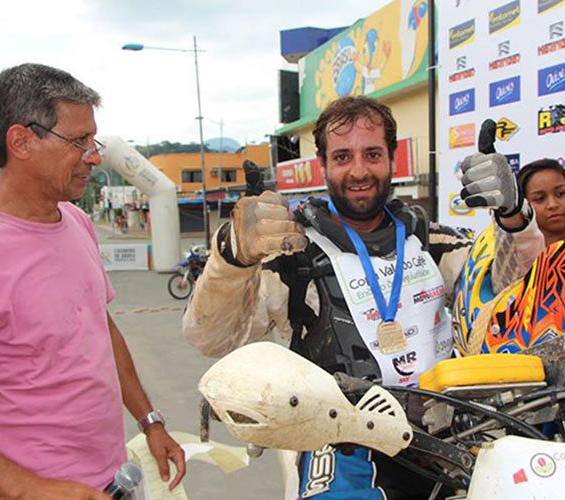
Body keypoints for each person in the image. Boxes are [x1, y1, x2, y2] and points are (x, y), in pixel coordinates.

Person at [183, 96, 544, 499]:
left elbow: (513, 283)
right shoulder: (291, 255)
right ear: (324, 165)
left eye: (372, 154)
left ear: (393, 160)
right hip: (339, 442)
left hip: (443, 437)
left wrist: (514, 215)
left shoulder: (430, 240)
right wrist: (232, 257)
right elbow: (210, 338)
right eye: (343, 156)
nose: (358, 171)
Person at [0, 63, 185, 500]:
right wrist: (33, 490)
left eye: (94, 140)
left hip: (113, 478)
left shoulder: (77, 222)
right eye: (78, 141)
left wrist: (149, 420)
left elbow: (100, 330)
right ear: (21, 141)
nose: (96, 156)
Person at [452, 158, 565, 356]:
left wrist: (556, 303)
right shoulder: (512, 257)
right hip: (520, 369)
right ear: (524, 204)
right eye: (540, 198)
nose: (553, 204)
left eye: (560, 193)